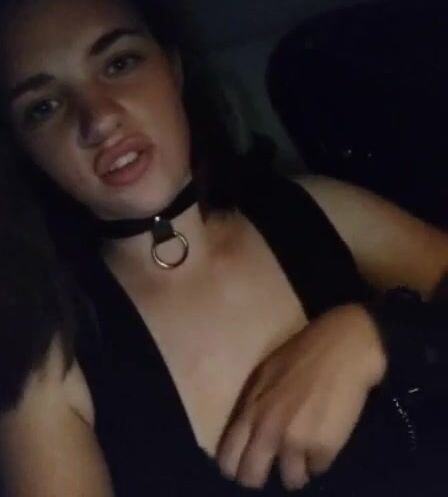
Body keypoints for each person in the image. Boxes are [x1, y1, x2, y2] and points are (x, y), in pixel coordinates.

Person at [0, 0, 447, 495]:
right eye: (44, 107)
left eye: (119, 63)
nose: (99, 119)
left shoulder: (319, 209)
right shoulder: (50, 363)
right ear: (25, 151)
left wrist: (376, 335)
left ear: (173, 69)